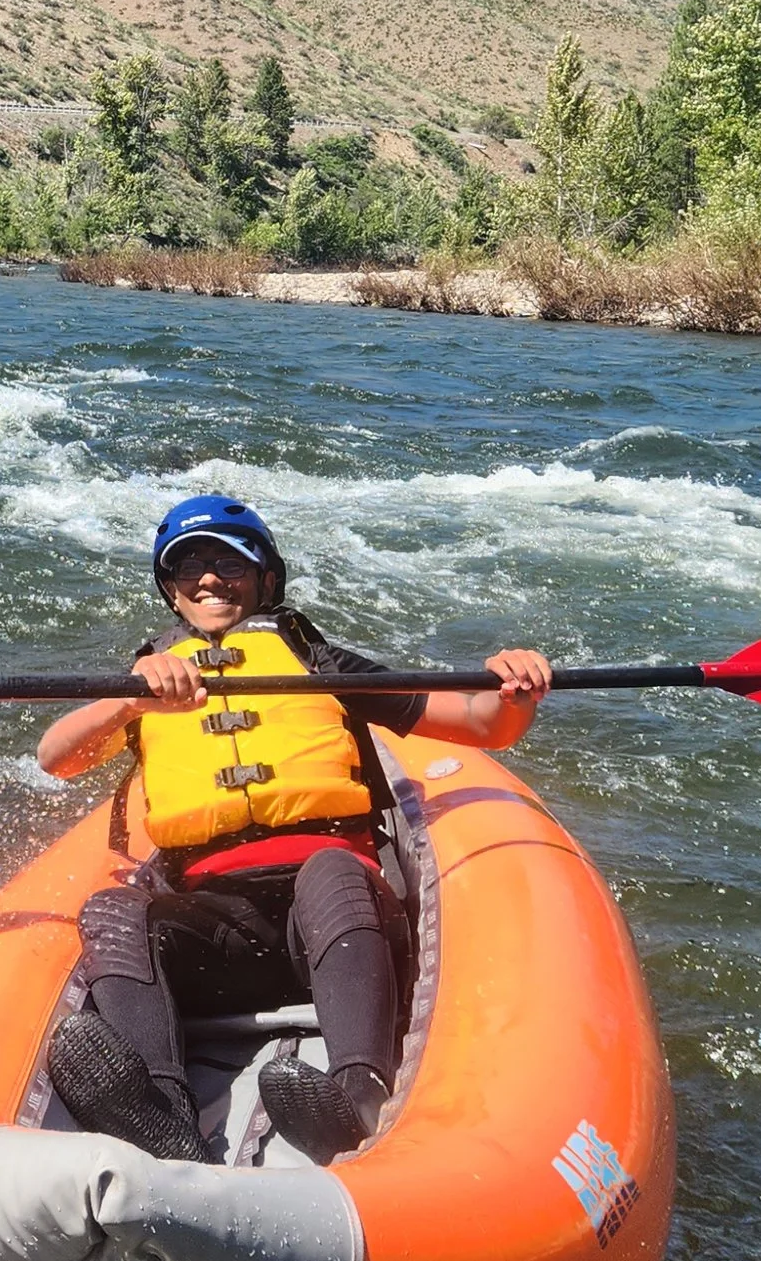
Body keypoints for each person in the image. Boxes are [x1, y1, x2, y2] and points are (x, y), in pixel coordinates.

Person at [32, 495, 552, 1165]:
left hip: (332, 922)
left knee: (331, 871)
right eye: (188, 565)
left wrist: (513, 688)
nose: (210, 577)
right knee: (112, 910)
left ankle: (355, 1095)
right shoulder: (144, 682)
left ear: (265, 580)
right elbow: (57, 757)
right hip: (214, 934)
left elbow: (485, 725)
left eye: (229, 560)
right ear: (170, 590)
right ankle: (163, 1118)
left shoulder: (317, 662)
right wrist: (130, 696)